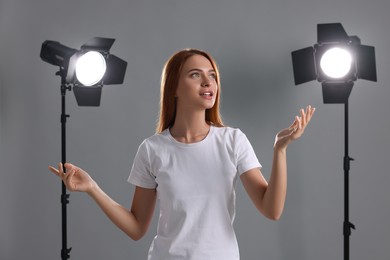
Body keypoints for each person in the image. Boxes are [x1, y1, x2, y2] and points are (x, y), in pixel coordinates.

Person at [49, 48, 315, 260]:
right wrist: (92, 188)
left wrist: (279, 150)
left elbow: (272, 209)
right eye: (195, 75)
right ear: (174, 88)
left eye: (212, 75)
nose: (208, 81)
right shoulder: (152, 149)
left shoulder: (233, 140)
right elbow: (137, 227)